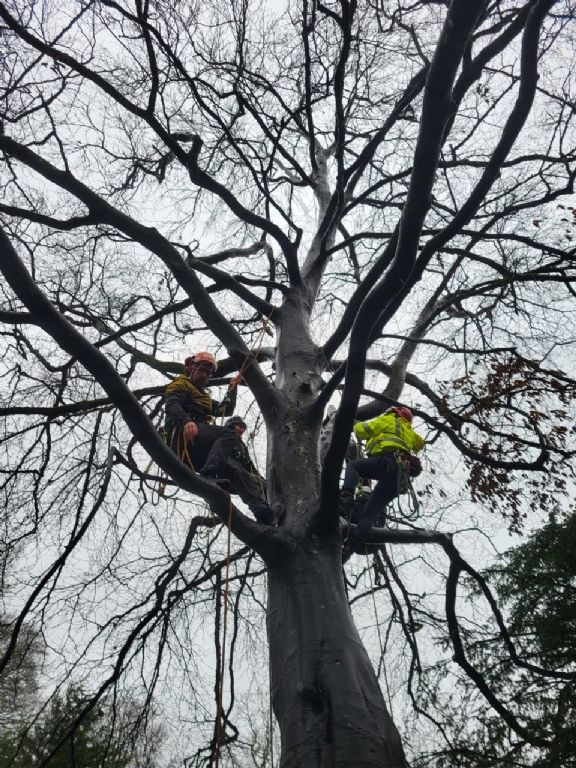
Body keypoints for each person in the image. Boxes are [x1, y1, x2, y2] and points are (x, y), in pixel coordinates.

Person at [164, 353, 273, 524]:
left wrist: (232, 389)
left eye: (209, 373)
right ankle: (208, 474)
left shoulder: (204, 397)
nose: (205, 375)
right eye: (202, 370)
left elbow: (225, 409)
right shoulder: (182, 384)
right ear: (192, 368)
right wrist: (186, 422)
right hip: (182, 433)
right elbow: (172, 405)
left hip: (200, 448)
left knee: (235, 468)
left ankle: (261, 510)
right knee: (229, 434)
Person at [340, 406, 425, 543]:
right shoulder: (410, 431)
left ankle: (347, 497)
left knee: (353, 466)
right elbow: (420, 444)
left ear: (395, 413)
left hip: (387, 462)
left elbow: (363, 431)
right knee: (369, 515)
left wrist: (354, 424)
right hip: (399, 477)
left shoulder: (388, 420)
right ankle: (350, 547)